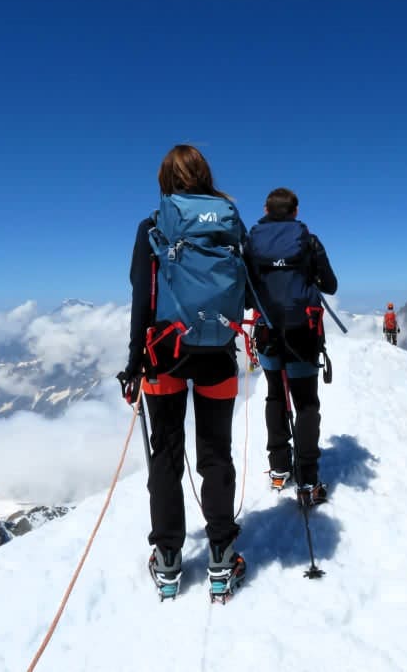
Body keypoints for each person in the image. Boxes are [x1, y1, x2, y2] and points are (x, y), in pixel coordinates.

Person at [118, 144, 246, 601]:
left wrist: (134, 364)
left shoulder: (152, 227)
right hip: (217, 352)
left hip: (164, 351)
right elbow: (244, 292)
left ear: (164, 180)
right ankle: (221, 557)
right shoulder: (230, 220)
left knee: (167, 455)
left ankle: (169, 560)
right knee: (215, 454)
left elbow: (142, 300)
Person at [244, 187, 338, 506]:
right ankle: (308, 477)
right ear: (296, 211)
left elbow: (246, 291)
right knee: (307, 403)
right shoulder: (308, 241)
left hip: (268, 332)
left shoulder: (252, 242)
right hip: (304, 333)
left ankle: (279, 469)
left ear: (265, 209)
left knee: (274, 395)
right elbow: (331, 285)